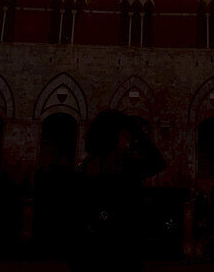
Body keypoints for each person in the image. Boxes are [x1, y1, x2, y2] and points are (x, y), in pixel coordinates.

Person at [71, 110, 165, 272]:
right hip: (110, 246)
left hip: (110, 245)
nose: (129, 140)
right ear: (113, 136)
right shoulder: (120, 165)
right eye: (125, 134)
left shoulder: (92, 165)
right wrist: (139, 133)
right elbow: (157, 162)